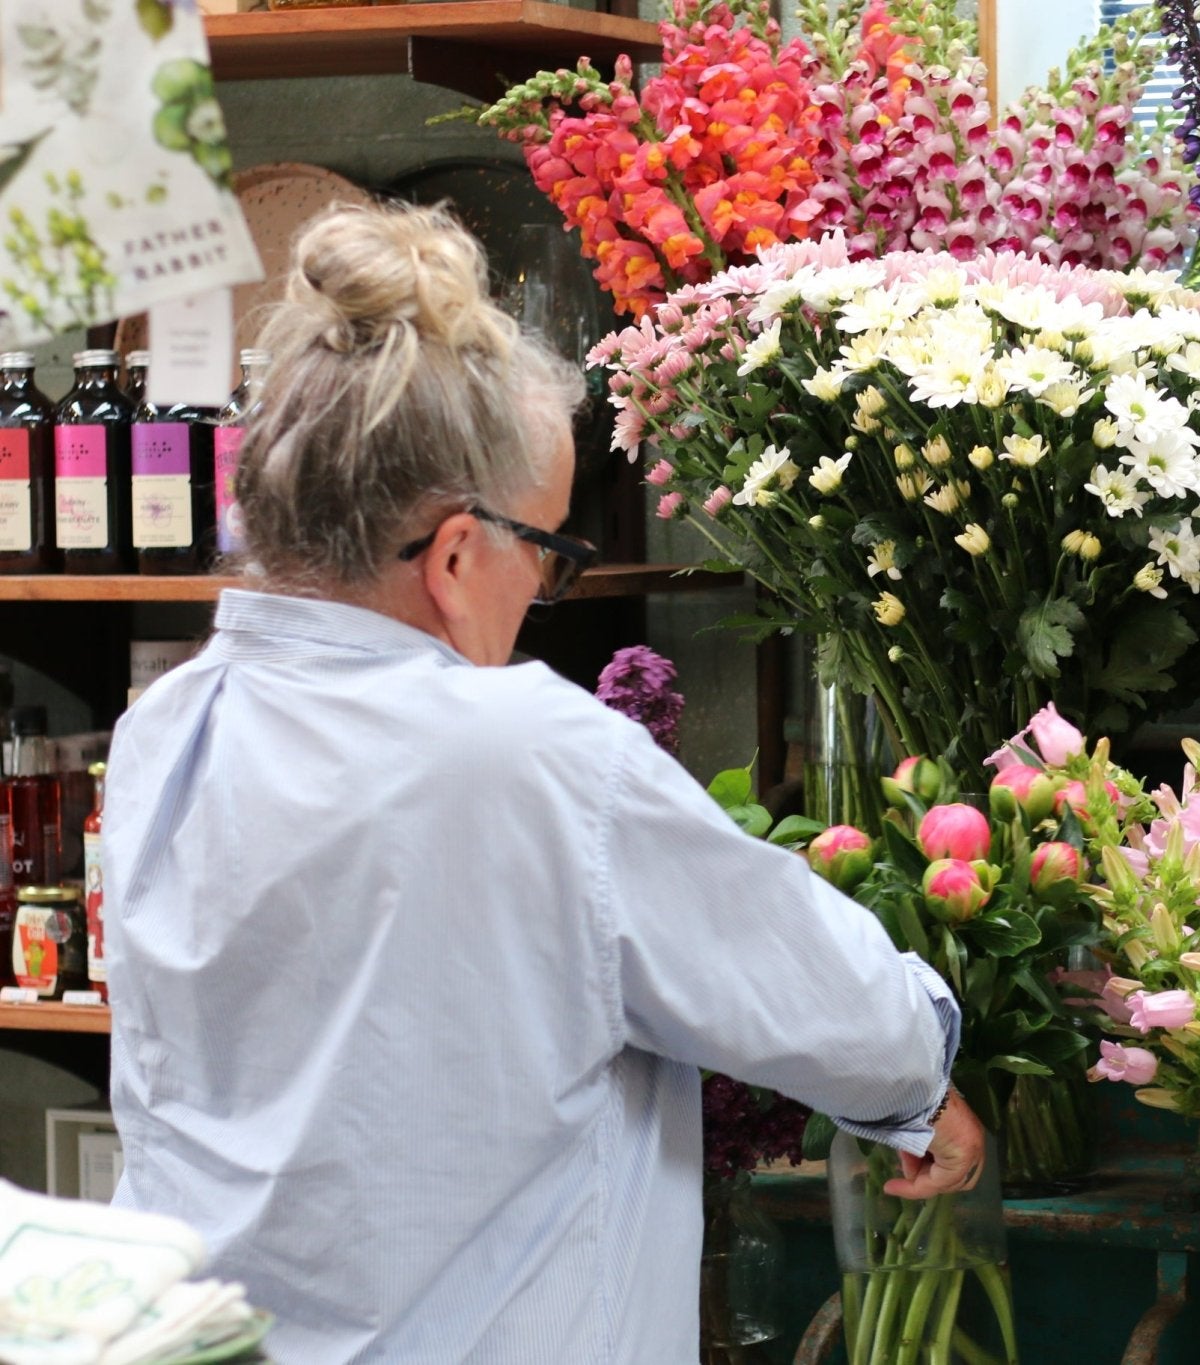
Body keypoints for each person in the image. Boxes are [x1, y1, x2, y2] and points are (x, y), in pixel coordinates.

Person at [100, 202, 984, 1363]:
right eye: (551, 551)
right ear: (459, 554)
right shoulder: (525, 752)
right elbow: (831, 1003)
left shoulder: (167, 722)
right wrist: (920, 1087)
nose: (543, 591)